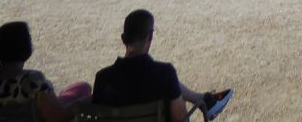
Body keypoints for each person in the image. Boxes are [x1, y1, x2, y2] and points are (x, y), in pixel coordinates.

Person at [91, 10, 230, 121]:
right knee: (174, 92)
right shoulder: (164, 73)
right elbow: (180, 119)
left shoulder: (102, 78)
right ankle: (204, 100)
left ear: (123, 38)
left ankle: (203, 99)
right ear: (150, 37)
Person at [0, 21, 90, 122]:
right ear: (26, 48)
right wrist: (86, 102)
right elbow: (58, 118)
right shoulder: (33, 82)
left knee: (79, 88)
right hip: (40, 112)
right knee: (82, 90)